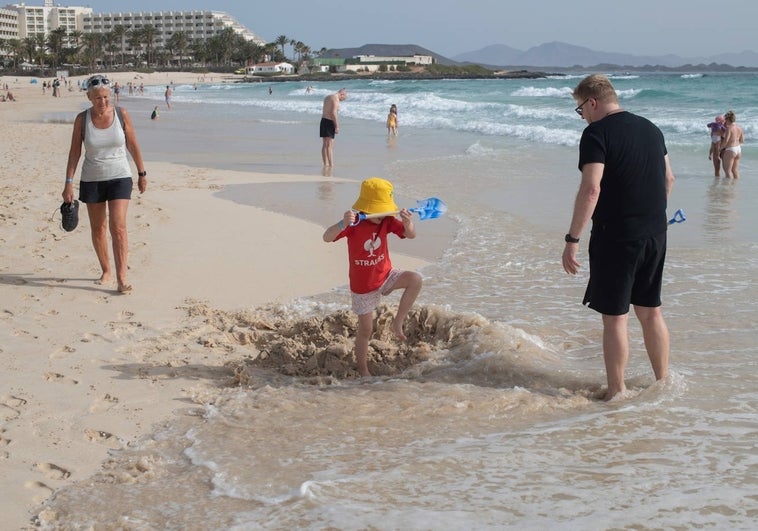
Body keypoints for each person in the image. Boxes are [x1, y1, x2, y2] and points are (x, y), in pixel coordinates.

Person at [562, 74, 675, 400]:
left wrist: (573, 239)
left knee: (615, 318)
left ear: (592, 102)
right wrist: (651, 216)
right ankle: (662, 382)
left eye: (580, 109)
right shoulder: (651, 128)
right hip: (655, 233)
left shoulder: (596, 133)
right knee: (651, 311)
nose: (581, 115)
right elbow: (669, 177)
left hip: (617, 236)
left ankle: (617, 391)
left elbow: (592, 187)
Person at [322, 177, 422, 377]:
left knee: (415, 279)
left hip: (385, 275)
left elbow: (410, 235)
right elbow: (327, 237)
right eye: (378, 212)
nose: (381, 217)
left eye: (385, 212)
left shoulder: (386, 220)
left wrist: (408, 222)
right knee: (366, 330)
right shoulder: (354, 224)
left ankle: (397, 322)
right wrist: (342, 223)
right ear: (366, 208)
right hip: (363, 286)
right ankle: (363, 369)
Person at [62, 74, 147, 294]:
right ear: (89, 97)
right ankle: (106, 270)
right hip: (92, 179)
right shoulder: (82, 120)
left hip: (120, 176)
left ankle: (121, 278)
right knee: (98, 228)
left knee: (117, 226)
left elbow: (133, 144)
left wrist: (141, 172)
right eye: (98, 98)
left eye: (107, 97)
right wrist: (68, 183)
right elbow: (74, 152)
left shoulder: (121, 114)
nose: (104, 102)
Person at [319, 88, 347, 167]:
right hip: (329, 122)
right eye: (343, 98)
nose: (342, 100)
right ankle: (331, 164)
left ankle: (325, 164)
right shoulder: (335, 99)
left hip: (323, 120)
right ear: (342, 94)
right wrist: (337, 125)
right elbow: (333, 113)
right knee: (330, 145)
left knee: (325, 144)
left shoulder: (327, 97)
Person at [720, 110, 744, 179]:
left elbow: (726, 141)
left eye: (725, 119)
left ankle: (729, 188)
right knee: (734, 170)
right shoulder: (739, 128)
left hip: (730, 150)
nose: (724, 121)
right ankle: (735, 186)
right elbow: (742, 140)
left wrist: (720, 149)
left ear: (728, 119)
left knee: (727, 171)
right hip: (738, 149)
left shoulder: (729, 128)